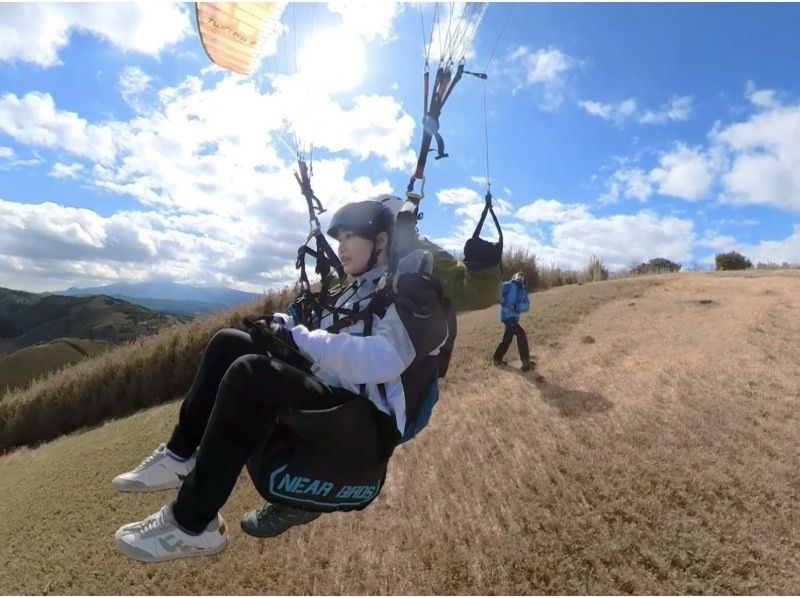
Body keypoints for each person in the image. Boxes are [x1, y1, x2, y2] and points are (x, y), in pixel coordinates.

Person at [112, 199, 447, 563]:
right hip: (339, 399)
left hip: (367, 426)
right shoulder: (355, 290)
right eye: (340, 238)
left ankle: (192, 525)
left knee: (250, 374)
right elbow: (324, 346)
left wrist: (300, 339)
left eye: (352, 236)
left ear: (381, 241)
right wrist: (283, 330)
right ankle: (179, 456)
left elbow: (383, 360)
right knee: (231, 343)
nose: (342, 246)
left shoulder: (412, 292)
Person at [492, 272, 534, 371]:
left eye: (522, 276)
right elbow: (497, 291)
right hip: (507, 316)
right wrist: (503, 303)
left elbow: (527, 305)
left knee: (507, 339)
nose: (520, 277)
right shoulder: (509, 284)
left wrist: (516, 306)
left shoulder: (523, 291)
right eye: (518, 275)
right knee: (521, 334)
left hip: (514, 318)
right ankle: (526, 363)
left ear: (524, 280)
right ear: (514, 277)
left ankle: (497, 359)